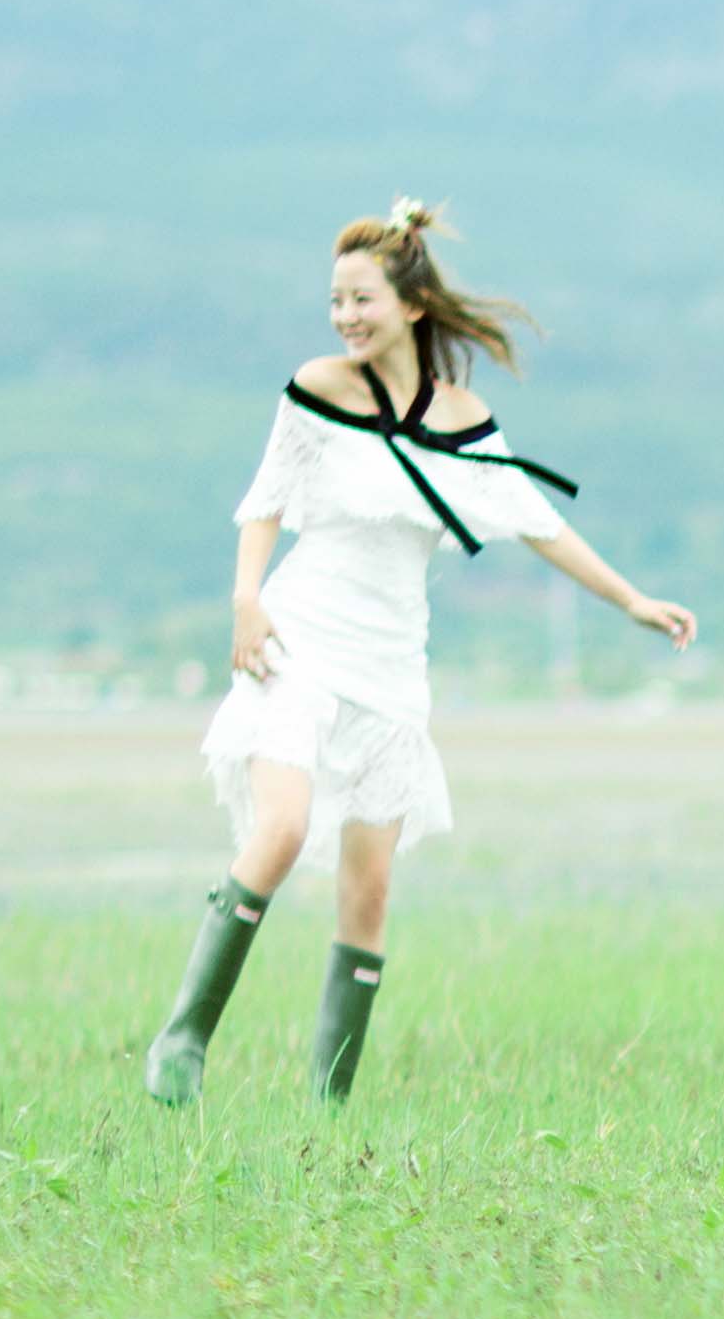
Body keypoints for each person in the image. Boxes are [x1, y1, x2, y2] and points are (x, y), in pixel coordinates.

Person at [142, 203, 696, 1109]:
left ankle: (327, 1114)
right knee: (276, 832)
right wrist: (244, 600)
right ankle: (184, 1037)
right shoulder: (317, 387)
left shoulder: (464, 417)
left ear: (411, 305)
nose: (344, 317)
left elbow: (538, 522)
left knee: (369, 897)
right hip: (298, 642)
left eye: (360, 300)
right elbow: (265, 502)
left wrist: (631, 599)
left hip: (391, 670)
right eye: (334, 301)